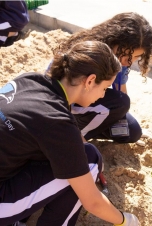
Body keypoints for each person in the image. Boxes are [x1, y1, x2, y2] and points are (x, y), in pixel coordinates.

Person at [0, 41, 140, 226]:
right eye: (104, 88)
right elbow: (93, 202)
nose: (102, 96)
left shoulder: (30, 80)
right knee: (89, 163)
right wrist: (125, 220)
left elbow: (60, 135)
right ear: (90, 81)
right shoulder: (57, 122)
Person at [59, 12, 152, 146]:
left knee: (132, 130)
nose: (129, 61)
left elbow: (120, 91)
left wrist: (121, 117)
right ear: (113, 40)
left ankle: (85, 128)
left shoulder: (122, 60)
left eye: (136, 57)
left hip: (90, 104)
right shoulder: (89, 54)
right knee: (121, 102)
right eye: (126, 56)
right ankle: (72, 136)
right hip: (68, 104)